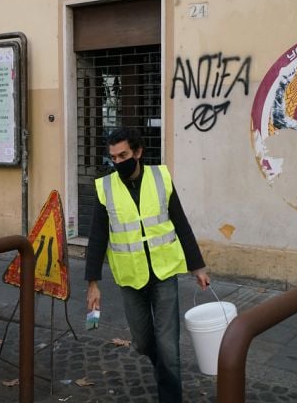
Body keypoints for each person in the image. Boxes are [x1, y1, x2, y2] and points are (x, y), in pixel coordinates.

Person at [85, 127, 210, 403]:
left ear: (138, 152)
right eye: (113, 158)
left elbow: (181, 223)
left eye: (124, 155)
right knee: (142, 342)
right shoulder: (105, 187)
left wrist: (197, 267)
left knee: (169, 345)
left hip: (164, 273)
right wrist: (93, 283)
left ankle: (169, 391)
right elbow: (97, 237)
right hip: (130, 277)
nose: (118, 162)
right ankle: (162, 365)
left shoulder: (160, 177)